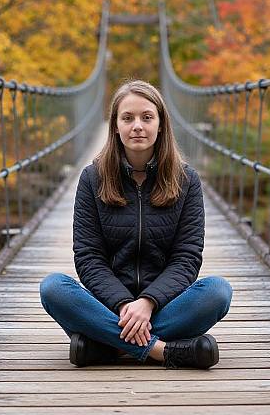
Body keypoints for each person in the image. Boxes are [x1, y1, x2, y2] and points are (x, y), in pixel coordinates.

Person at [39, 79, 233, 369]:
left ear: (160, 124)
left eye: (147, 117)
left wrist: (148, 302)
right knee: (53, 287)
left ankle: (106, 347)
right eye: (127, 118)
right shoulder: (93, 179)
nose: (137, 126)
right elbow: (89, 257)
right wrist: (123, 304)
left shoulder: (186, 181)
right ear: (115, 126)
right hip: (108, 307)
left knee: (218, 291)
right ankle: (162, 351)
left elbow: (187, 258)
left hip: (165, 307)